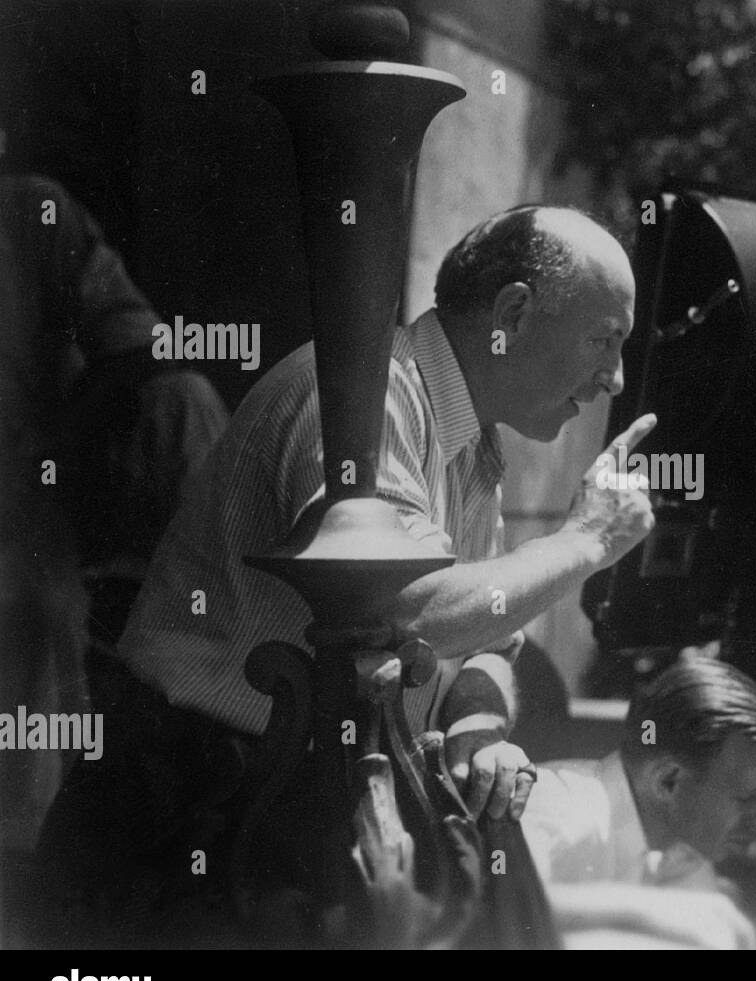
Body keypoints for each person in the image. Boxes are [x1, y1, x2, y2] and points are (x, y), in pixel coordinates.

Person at [36, 204, 656, 942]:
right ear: (514, 313)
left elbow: (489, 637)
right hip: (185, 810)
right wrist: (585, 541)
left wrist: (478, 726)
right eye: (605, 339)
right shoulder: (366, 399)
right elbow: (407, 607)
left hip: (284, 804)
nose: (616, 378)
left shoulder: (473, 443)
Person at [0, 172, 228, 858]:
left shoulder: (29, 212)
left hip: (40, 515)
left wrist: (63, 445)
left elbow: (139, 348)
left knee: (186, 403)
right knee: (35, 605)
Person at [521, 655, 756, 949]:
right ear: (668, 781)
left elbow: (745, 943)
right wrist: (656, 911)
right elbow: (492, 905)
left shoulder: (677, 848)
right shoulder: (562, 805)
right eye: (747, 797)